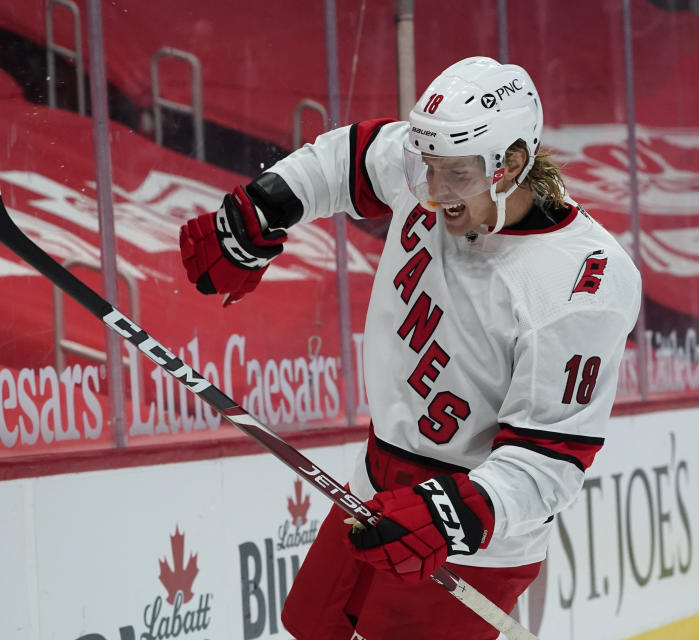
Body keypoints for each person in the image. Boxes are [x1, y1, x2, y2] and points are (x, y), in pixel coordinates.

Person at [179, 56, 641, 640]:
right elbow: (346, 160)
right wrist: (260, 210)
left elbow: (550, 460)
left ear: (513, 164)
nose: (433, 192)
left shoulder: (581, 282)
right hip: (375, 484)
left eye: (456, 176)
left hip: (472, 539)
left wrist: (448, 517)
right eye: (428, 169)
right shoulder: (441, 160)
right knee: (308, 627)